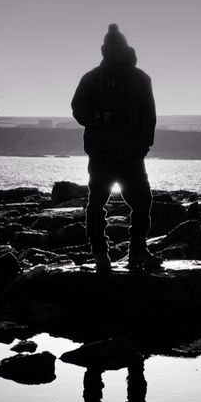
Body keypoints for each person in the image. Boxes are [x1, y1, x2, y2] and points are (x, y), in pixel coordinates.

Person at [71, 23, 160, 272]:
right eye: (112, 47)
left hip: (132, 153)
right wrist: (100, 118)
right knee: (97, 203)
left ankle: (138, 251)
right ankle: (100, 254)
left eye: (119, 47)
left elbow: (149, 116)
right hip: (101, 152)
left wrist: (144, 145)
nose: (116, 51)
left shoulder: (141, 79)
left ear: (126, 47)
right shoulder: (91, 79)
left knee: (142, 202)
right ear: (103, 49)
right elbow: (78, 108)